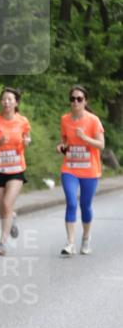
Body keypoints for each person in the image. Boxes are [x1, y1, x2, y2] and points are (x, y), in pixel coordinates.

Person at [56, 86, 105, 256]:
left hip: (90, 170)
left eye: (79, 99)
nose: (75, 102)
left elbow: (101, 145)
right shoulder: (65, 120)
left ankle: (85, 238)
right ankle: (70, 243)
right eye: (73, 99)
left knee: (85, 206)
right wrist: (61, 147)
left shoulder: (93, 120)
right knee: (71, 202)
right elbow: (65, 142)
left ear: (85, 101)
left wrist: (85, 137)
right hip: (70, 168)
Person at [0, 88, 32, 255]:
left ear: (16, 102)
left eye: (10, 99)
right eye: (4, 99)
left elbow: (27, 138)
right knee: (2, 209)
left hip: (16, 169)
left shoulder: (22, 121)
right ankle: (12, 218)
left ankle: (2, 243)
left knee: (6, 204)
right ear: (0, 102)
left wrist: (27, 141)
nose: (6, 102)